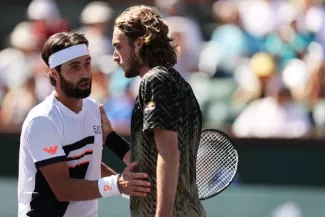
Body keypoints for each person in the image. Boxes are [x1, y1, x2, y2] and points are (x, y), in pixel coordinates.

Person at [17, 31, 151, 217]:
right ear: (54, 74)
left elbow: (88, 164)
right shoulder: (42, 120)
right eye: (74, 67)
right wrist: (118, 184)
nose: (85, 73)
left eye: (87, 64)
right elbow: (63, 189)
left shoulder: (94, 109)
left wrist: (129, 186)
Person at [108, 5, 207, 217]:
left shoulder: (155, 80)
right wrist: (108, 137)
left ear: (139, 43)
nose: (115, 56)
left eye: (119, 46)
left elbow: (168, 153)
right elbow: (147, 163)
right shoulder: (175, 81)